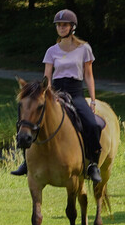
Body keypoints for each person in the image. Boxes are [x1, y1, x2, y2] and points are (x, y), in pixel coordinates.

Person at [11, 9, 103, 184]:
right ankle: (26, 160)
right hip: (55, 92)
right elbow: (48, 77)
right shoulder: (51, 51)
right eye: (59, 25)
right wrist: (49, 96)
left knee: (92, 124)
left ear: (72, 27)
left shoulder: (84, 49)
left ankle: (92, 164)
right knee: (28, 120)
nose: (61, 28)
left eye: (64, 25)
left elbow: (89, 75)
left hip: (75, 92)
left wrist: (92, 99)